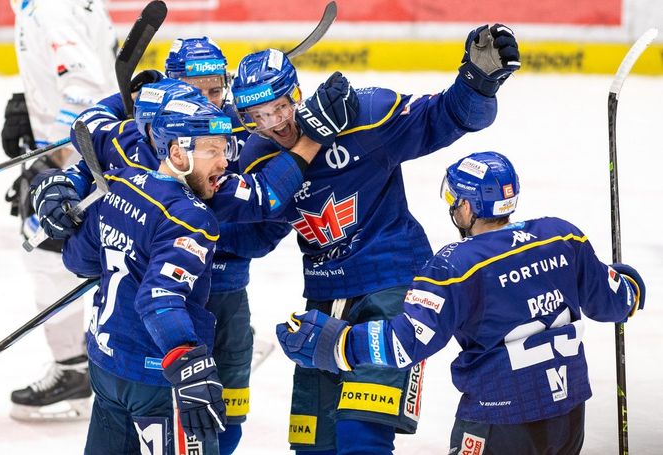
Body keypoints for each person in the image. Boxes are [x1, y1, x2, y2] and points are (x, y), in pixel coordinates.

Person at [234, 24, 520, 453]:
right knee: (315, 445)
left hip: (392, 285)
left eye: (278, 107)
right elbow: (256, 238)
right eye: (258, 117)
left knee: (361, 438)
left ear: (295, 93)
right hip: (325, 299)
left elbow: (443, 118)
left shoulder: (361, 114)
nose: (273, 124)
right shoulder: (258, 160)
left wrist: (477, 84)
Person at [276, 151, 646, 455]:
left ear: (468, 207)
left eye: (455, 200)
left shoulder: (455, 265)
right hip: (567, 418)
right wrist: (630, 282)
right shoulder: (561, 236)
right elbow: (618, 301)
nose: (453, 208)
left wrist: (334, 342)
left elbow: (405, 343)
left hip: (499, 421)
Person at [45, 90, 339, 454]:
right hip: (158, 378)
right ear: (178, 152)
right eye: (212, 152)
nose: (224, 163)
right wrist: (188, 366)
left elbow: (79, 261)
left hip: (107, 367)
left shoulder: (119, 183)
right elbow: (160, 299)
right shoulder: (192, 217)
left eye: (225, 149)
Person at [165, 37, 293, 454]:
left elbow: (263, 219)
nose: (207, 101)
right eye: (193, 90)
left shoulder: (245, 130)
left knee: (228, 417)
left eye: (215, 90)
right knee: (176, 423)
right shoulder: (158, 136)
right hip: (176, 297)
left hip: (229, 293)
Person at [0, 0, 118, 420]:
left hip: (80, 163)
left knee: (51, 259)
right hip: (89, 155)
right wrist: (28, 101)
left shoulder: (50, 8)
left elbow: (85, 90)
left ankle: (73, 370)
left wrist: (52, 162)